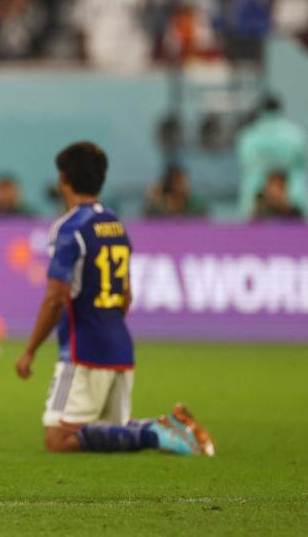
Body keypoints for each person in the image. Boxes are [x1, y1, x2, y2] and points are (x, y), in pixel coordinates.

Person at [15, 142, 215, 457]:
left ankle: (154, 433)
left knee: (59, 438)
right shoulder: (115, 224)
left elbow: (55, 298)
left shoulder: (69, 229)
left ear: (63, 180)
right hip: (119, 346)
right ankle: (171, 425)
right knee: (108, 432)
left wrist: (29, 351)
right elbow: (127, 295)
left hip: (83, 352)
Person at [238, 94, 307, 217]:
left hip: (258, 191)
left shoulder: (248, 136)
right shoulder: (295, 135)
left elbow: (245, 163)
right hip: (290, 193)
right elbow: (301, 165)